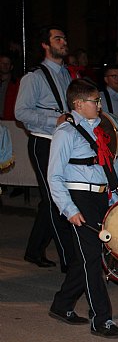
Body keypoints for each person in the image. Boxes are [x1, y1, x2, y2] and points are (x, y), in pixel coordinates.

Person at [48, 78, 118, 338]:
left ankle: (62, 304)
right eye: (95, 101)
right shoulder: (66, 133)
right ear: (79, 104)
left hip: (99, 198)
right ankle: (102, 320)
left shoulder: (98, 131)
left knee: (88, 257)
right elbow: (54, 176)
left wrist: (114, 199)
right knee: (92, 260)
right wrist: (69, 209)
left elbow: (104, 167)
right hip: (79, 198)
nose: (100, 105)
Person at [14, 25, 75, 271]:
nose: (63, 42)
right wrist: (54, 120)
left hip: (63, 142)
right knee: (55, 200)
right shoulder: (34, 77)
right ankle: (69, 260)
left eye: (64, 38)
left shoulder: (66, 75)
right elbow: (21, 112)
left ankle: (34, 249)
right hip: (43, 141)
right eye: (57, 38)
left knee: (52, 199)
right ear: (45, 45)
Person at [0, 53, 20, 120]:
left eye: (7, 63)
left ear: (11, 66)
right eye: (3, 63)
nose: (5, 66)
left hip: (10, 121)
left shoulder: (17, 84)